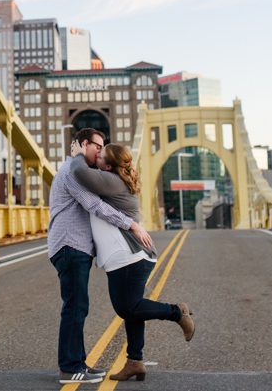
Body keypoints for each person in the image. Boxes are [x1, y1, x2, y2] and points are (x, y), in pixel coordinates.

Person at [69, 140, 195, 382]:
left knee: (126, 307)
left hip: (128, 257)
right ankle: (135, 362)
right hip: (130, 257)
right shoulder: (110, 179)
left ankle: (177, 313)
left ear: (109, 165)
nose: (96, 157)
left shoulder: (111, 181)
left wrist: (77, 154)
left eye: (101, 155)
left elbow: (78, 172)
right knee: (133, 310)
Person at [48, 127, 153, 385]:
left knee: (78, 307)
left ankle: (78, 364)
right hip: (70, 246)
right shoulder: (72, 173)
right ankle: (70, 368)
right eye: (97, 146)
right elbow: (94, 205)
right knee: (74, 307)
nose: (100, 151)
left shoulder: (82, 172)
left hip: (75, 248)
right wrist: (131, 224)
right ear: (84, 145)